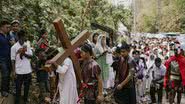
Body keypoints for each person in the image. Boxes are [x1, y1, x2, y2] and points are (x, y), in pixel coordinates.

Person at [11, 30, 33, 104]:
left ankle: (25, 99)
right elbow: (12, 60)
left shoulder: (27, 45)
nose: (23, 39)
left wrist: (24, 53)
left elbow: (31, 56)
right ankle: (17, 101)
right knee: (18, 88)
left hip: (27, 70)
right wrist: (14, 71)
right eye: (22, 37)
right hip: (19, 71)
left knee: (27, 87)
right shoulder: (14, 47)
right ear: (18, 37)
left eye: (24, 37)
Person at [0, 20, 11, 97]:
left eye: (9, 27)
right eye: (7, 27)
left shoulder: (8, 36)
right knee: (5, 74)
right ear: (1, 27)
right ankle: (3, 91)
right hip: (1, 58)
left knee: (8, 74)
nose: (8, 29)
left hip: (8, 58)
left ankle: (6, 90)